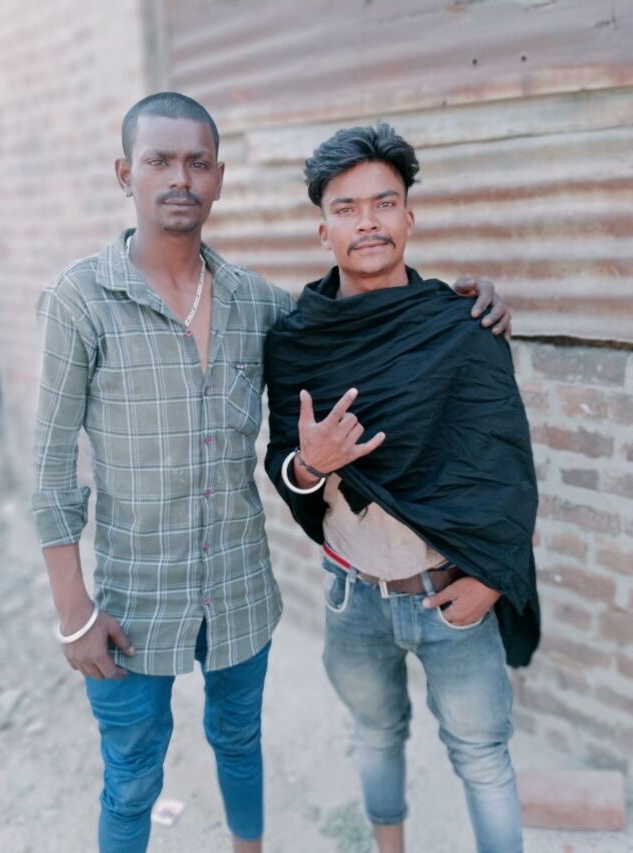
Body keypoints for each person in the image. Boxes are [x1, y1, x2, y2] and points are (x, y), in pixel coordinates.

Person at [31, 93, 512, 853]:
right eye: (159, 161)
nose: (180, 178)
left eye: (197, 163)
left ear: (218, 178)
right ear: (126, 174)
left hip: (240, 594)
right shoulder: (80, 300)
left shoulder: (258, 305)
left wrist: (460, 300)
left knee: (240, 742)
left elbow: (351, 325)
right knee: (130, 778)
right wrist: (73, 610)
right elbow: (52, 464)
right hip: (132, 598)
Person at [264, 123, 540, 853]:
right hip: (351, 594)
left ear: (409, 218)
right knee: (376, 732)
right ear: (324, 230)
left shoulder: (462, 326)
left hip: (453, 595)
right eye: (347, 208)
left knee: (482, 755)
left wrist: (491, 577)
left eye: (384, 203)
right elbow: (283, 462)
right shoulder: (297, 342)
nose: (368, 222)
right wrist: (311, 464)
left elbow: (507, 468)